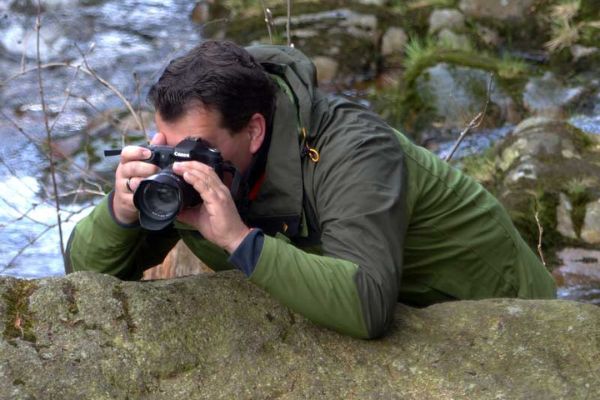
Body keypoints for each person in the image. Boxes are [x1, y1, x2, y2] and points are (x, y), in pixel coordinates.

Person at [66, 40, 556, 339]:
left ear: (254, 131)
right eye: (169, 146)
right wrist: (121, 212)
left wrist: (239, 240)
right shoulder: (203, 171)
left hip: (503, 312)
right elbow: (86, 280)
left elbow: (366, 306)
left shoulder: (356, 152)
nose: (182, 163)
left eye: (196, 147)